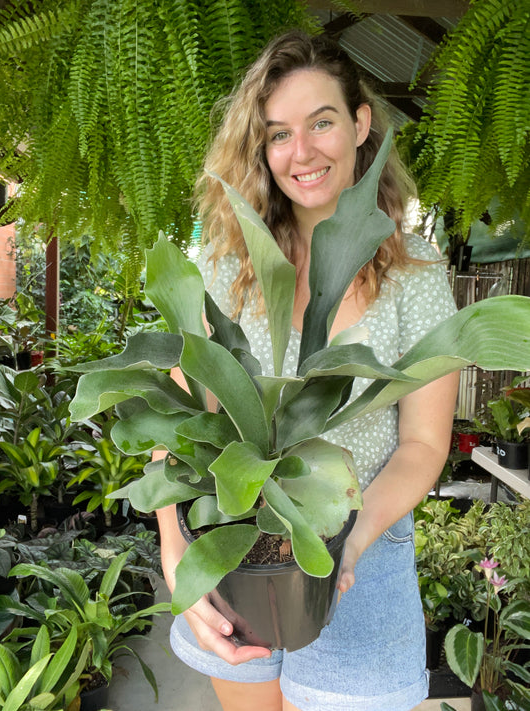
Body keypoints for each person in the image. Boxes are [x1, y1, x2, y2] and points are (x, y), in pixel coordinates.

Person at [156, 30, 460, 711]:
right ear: (261, 149)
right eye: (278, 133)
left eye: (321, 122)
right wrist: (179, 552)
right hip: (233, 548)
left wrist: (348, 543)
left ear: (359, 125)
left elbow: (422, 444)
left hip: (363, 547)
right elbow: (180, 424)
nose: (302, 152)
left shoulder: (415, 272)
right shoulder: (222, 268)